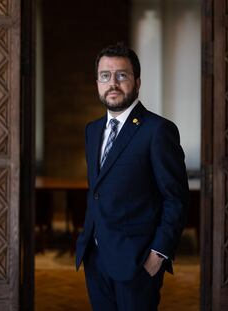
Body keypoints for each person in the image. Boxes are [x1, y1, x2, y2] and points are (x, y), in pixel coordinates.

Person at [75, 43, 189, 311]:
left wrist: (157, 255)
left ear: (137, 82)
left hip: (137, 262)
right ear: (97, 83)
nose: (112, 83)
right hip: (96, 256)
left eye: (121, 75)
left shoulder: (157, 131)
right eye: (105, 76)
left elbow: (176, 199)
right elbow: (98, 191)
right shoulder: (92, 131)